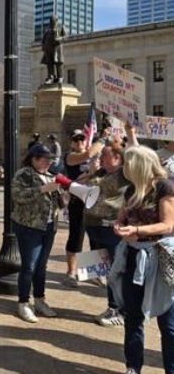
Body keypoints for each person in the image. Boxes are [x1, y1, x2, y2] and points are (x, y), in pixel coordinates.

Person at [111, 145, 174, 374]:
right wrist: (119, 226)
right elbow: (121, 217)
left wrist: (138, 231)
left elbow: (168, 225)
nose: (124, 167)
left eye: (128, 163)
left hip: (159, 256)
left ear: (139, 165)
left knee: (167, 322)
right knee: (133, 316)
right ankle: (133, 367)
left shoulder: (164, 187)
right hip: (134, 255)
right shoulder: (131, 190)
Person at [11, 145, 65, 323]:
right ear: (34, 158)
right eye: (44, 158)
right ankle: (23, 303)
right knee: (29, 266)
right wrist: (42, 189)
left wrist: (64, 198)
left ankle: (40, 300)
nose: (48, 162)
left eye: (50, 159)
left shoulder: (50, 176)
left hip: (48, 226)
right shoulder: (24, 174)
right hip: (29, 227)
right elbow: (17, 195)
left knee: (41, 266)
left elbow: (58, 203)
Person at [78, 143, 130, 327]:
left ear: (117, 157)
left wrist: (128, 134)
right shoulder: (100, 173)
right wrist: (90, 175)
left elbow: (133, 153)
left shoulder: (124, 173)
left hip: (110, 227)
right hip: (93, 225)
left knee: (116, 270)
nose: (100, 159)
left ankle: (120, 310)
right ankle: (111, 306)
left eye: (105, 156)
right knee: (101, 268)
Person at [61, 129, 104, 288]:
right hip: (77, 200)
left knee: (96, 238)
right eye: (76, 140)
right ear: (72, 143)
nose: (79, 142)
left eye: (82, 139)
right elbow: (85, 158)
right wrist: (103, 139)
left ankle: (93, 273)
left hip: (93, 201)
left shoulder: (95, 158)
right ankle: (71, 273)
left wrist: (95, 171)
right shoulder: (70, 157)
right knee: (76, 237)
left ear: (87, 141)